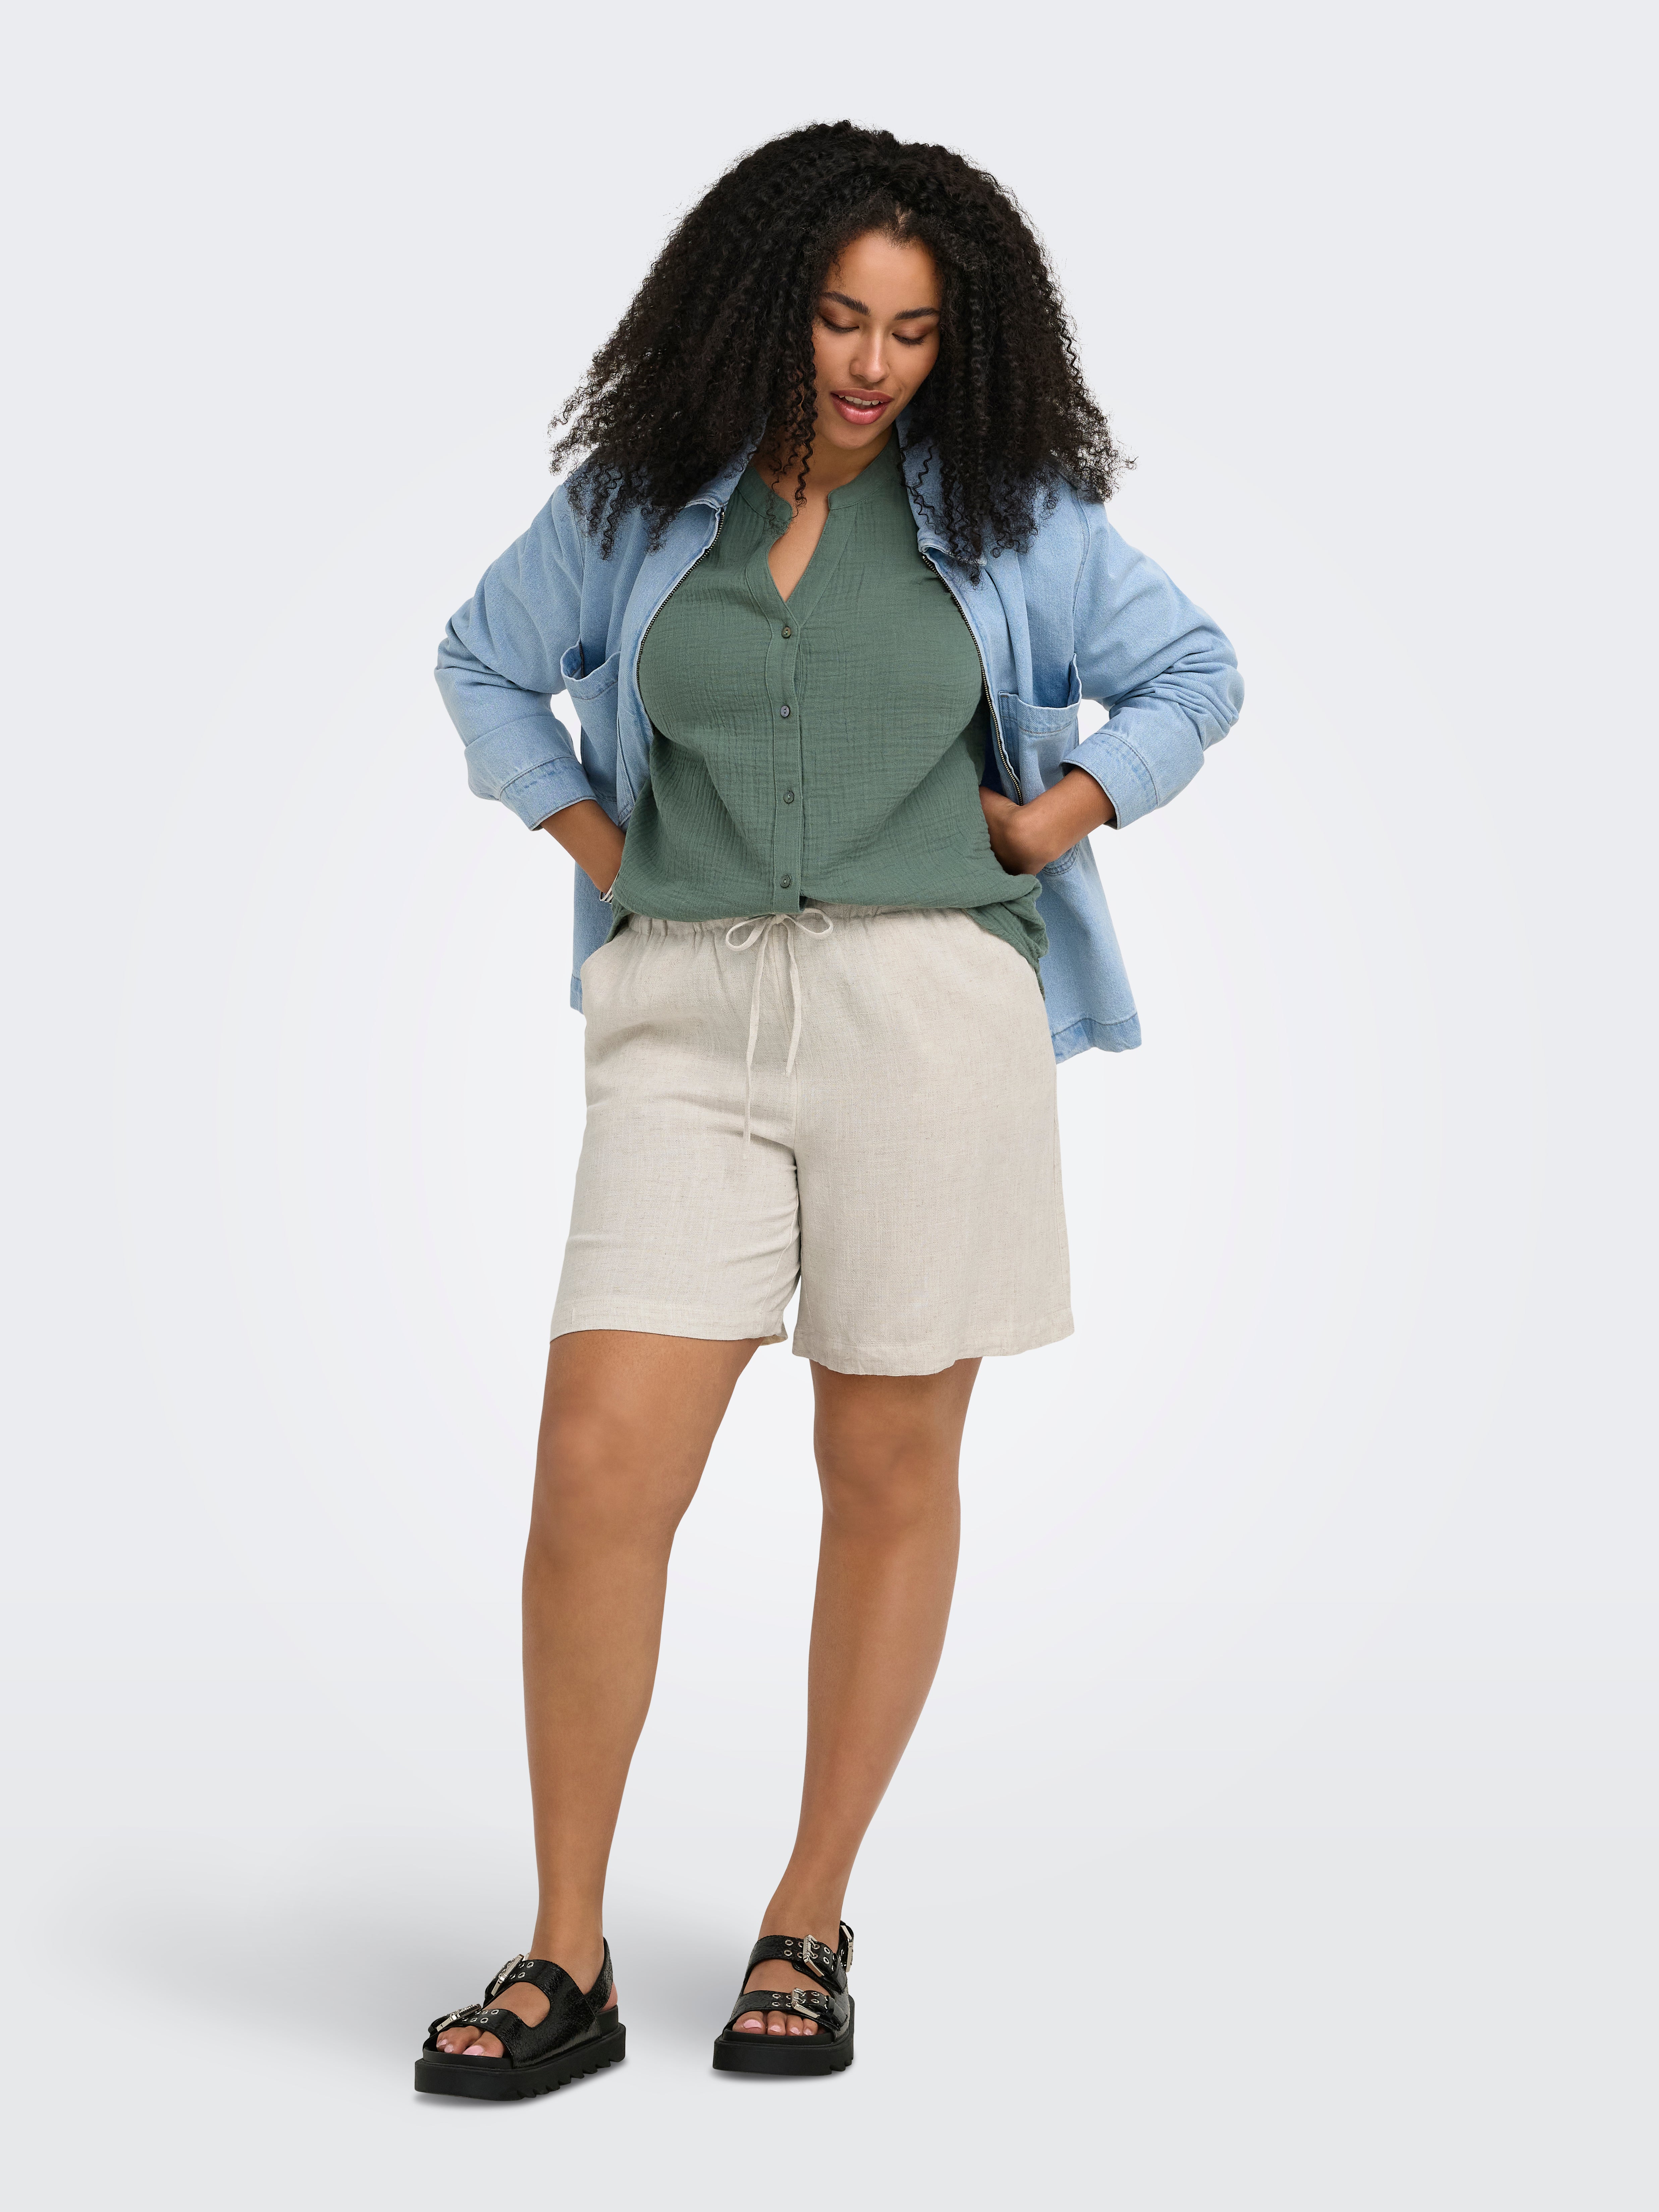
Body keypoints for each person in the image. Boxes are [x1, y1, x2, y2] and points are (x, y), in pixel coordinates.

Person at [415, 120, 1243, 2098]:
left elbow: (1192, 672)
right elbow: (483, 664)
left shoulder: (1014, 515)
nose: (873, 365)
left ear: (963, 342)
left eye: (914, 331)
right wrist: (599, 842)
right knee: (597, 1467)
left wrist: (1060, 810)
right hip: (681, 1017)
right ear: (761, 306)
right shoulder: (638, 502)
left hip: (927, 1012)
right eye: (840, 319)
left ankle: (807, 1912)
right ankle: (564, 1951)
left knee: (882, 1466)